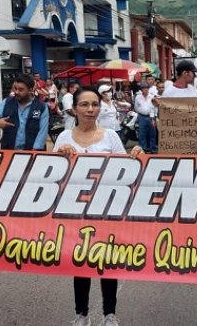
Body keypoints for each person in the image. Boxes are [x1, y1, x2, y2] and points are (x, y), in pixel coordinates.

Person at [53, 87, 143, 326]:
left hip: (106, 210)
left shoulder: (111, 137)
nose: (90, 109)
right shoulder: (63, 138)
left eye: (94, 104)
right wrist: (61, 156)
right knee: (80, 262)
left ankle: (109, 314)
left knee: (107, 262)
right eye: (84, 104)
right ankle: (81, 314)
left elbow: (126, 171)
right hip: (75, 212)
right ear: (74, 109)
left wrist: (136, 154)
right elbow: (52, 175)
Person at [0, 74, 49, 150]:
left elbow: (42, 132)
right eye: (15, 88)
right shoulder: (7, 102)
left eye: (21, 89)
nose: (16, 92)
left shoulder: (41, 107)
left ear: (30, 90)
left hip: (32, 152)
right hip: (9, 152)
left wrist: (34, 152)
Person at [134, 82, 157, 154]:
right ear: (141, 90)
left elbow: (154, 108)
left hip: (151, 116)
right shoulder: (138, 97)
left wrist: (153, 119)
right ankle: (143, 148)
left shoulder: (152, 97)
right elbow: (136, 107)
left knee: (152, 133)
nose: (145, 90)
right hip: (142, 116)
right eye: (144, 88)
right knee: (142, 133)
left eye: (147, 88)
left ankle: (152, 149)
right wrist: (141, 112)